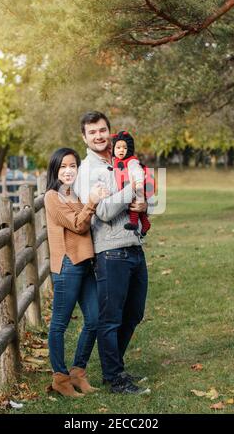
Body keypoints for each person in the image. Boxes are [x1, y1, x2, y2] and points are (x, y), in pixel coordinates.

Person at [74, 111, 151, 395]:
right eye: (92, 132)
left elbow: (139, 198)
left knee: (135, 312)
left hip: (134, 246)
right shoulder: (86, 171)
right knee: (111, 317)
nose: (99, 135)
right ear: (84, 137)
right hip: (110, 252)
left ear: (110, 131)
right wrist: (133, 189)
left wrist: (143, 205)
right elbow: (104, 211)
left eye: (102, 130)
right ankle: (114, 376)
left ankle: (114, 365)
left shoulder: (121, 162)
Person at [44, 147, 108, 398]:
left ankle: (78, 372)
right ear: (55, 170)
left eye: (72, 166)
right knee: (59, 324)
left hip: (85, 263)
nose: (68, 171)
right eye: (63, 167)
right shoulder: (52, 197)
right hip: (68, 265)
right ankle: (60, 377)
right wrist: (92, 201)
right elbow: (78, 226)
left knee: (94, 319)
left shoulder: (76, 195)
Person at [111, 130, 153, 237]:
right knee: (139, 209)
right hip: (125, 189)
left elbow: (138, 173)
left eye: (125, 148)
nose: (121, 150)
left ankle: (134, 222)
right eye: (118, 147)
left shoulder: (132, 161)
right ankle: (145, 223)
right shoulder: (114, 161)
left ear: (129, 149)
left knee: (134, 205)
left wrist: (138, 186)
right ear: (114, 149)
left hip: (136, 188)